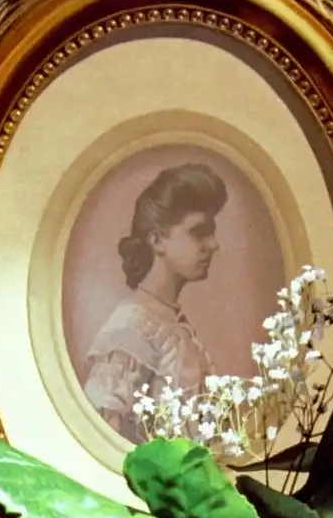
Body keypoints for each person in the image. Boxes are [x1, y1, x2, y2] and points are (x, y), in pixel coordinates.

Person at [82, 162, 226, 442]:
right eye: (199, 232)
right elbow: (101, 437)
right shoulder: (131, 328)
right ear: (158, 240)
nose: (213, 245)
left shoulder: (172, 323)